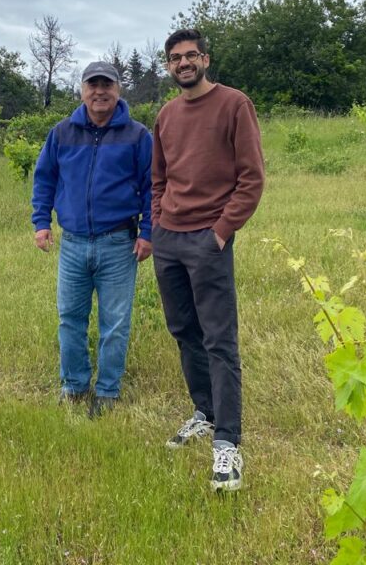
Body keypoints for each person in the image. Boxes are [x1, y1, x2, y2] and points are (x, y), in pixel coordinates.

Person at [151, 28, 264, 491]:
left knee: (219, 339)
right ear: (168, 65)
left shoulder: (234, 104)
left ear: (206, 59)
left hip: (208, 240)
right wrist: (158, 223)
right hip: (168, 240)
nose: (184, 63)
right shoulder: (166, 114)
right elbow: (159, 178)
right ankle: (205, 411)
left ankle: (227, 443)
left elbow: (251, 179)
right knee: (184, 332)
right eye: (176, 58)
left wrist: (220, 233)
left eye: (191, 55)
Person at [32, 61, 153, 418]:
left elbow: (152, 188)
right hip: (72, 244)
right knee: (70, 317)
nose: (99, 91)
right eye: (92, 84)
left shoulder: (137, 135)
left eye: (107, 84)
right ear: (82, 90)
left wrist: (148, 233)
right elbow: (45, 180)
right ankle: (74, 386)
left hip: (119, 243)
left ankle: (108, 391)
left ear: (118, 90)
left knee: (115, 322)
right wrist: (41, 222)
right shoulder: (61, 133)